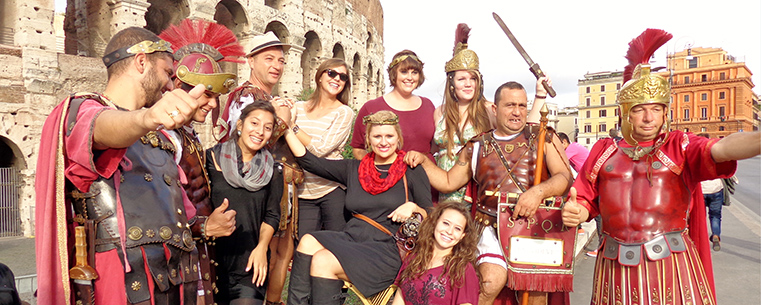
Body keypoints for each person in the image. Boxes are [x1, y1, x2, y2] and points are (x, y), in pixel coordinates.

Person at [561, 29, 761, 305]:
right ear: (626, 113)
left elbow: (721, 148)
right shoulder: (604, 150)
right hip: (614, 267)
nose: (648, 118)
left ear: (665, 113)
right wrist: (577, 210)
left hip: (670, 264)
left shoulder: (678, 146)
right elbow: (585, 197)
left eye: (656, 109)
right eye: (640, 109)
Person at [36, 27, 206, 305]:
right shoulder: (82, 110)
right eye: (167, 72)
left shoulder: (161, 139)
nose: (171, 85)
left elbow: (181, 222)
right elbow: (102, 128)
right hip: (119, 280)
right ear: (142, 61)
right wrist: (146, 118)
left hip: (173, 279)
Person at [405, 80, 572, 305]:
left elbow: (564, 176)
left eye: (522, 106)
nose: (517, 112)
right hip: (490, 227)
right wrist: (425, 160)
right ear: (495, 109)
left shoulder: (543, 137)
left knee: (536, 292)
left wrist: (538, 192)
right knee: (490, 281)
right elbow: (448, 181)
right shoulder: (477, 146)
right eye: (510, 105)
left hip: (532, 226)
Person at [284, 110, 432, 305]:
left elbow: (430, 213)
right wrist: (286, 128)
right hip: (352, 238)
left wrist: (414, 207)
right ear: (368, 140)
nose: (383, 142)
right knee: (307, 241)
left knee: (323, 260)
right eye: (377, 136)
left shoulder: (411, 170)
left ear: (398, 138)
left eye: (389, 136)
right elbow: (311, 162)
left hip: (387, 248)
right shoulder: (355, 168)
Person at [159, 19, 243, 305]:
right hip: (179, 254)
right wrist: (203, 228)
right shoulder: (162, 136)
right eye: (207, 94)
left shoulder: (187, 134)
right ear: (181, 87)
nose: (211, 103)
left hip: (200, 250)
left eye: (215, 96)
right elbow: (157, 210)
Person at [217, 32, 299, 305]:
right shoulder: (247, 96)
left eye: (281, 60)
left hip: (271, 183)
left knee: (277, 254)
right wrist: (283, 120)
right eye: (269, 58)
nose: (277, 65)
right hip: (250, 188)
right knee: (263, 255)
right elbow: (250, 142)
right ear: (250, 61)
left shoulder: (264, 96)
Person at [206, 101, 283, 305]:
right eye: (255, 123)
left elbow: (272, 215)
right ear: (240, 125)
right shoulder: (212, 158)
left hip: (251, 263)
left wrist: (261, 248)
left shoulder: (272, 170)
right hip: (213, 261)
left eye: (267, 128)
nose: (260, 131)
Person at [289, 58, 355, 238]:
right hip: (303, 191)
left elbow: (320, 149)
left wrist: (292, 126)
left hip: (331, 189)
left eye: (343, 77)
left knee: (337, 246)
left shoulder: (344, 112)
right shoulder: (298, 107)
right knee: (303, 247)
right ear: (319, 76)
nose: (337, 79)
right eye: (332, 73)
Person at [434, 23, 495, 204]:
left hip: (475, 191)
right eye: (462, 79)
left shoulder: (489, 110)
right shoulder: (440, 112)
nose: (468, 84)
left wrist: (539, 96)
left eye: (473, 79)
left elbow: (521, 133)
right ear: (452, 83)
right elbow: (433, 151)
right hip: (442, 191)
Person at [350, 50, 435, 161]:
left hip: (425, 172)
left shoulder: (428, 105)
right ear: (394, 74)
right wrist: (375, 169)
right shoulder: (371, 107)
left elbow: (435, 145)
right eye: (404, 72)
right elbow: (358, 148)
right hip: (388, 175)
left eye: (414, 72)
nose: (410, 77)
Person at [391, 201, 480, 305]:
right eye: (446, 223)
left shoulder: (463, 268)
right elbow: (400, 299)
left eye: (457, 228)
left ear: (462, 236)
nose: (449, 231)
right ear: (435, 223)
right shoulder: (414, 258)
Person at [697, 133, 728, 252]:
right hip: (716, 189)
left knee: (700, 216)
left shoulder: (695, 154)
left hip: (701, 190)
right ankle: (715, 236)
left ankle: (701, 241)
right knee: (715, 215)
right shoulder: (716, 154)